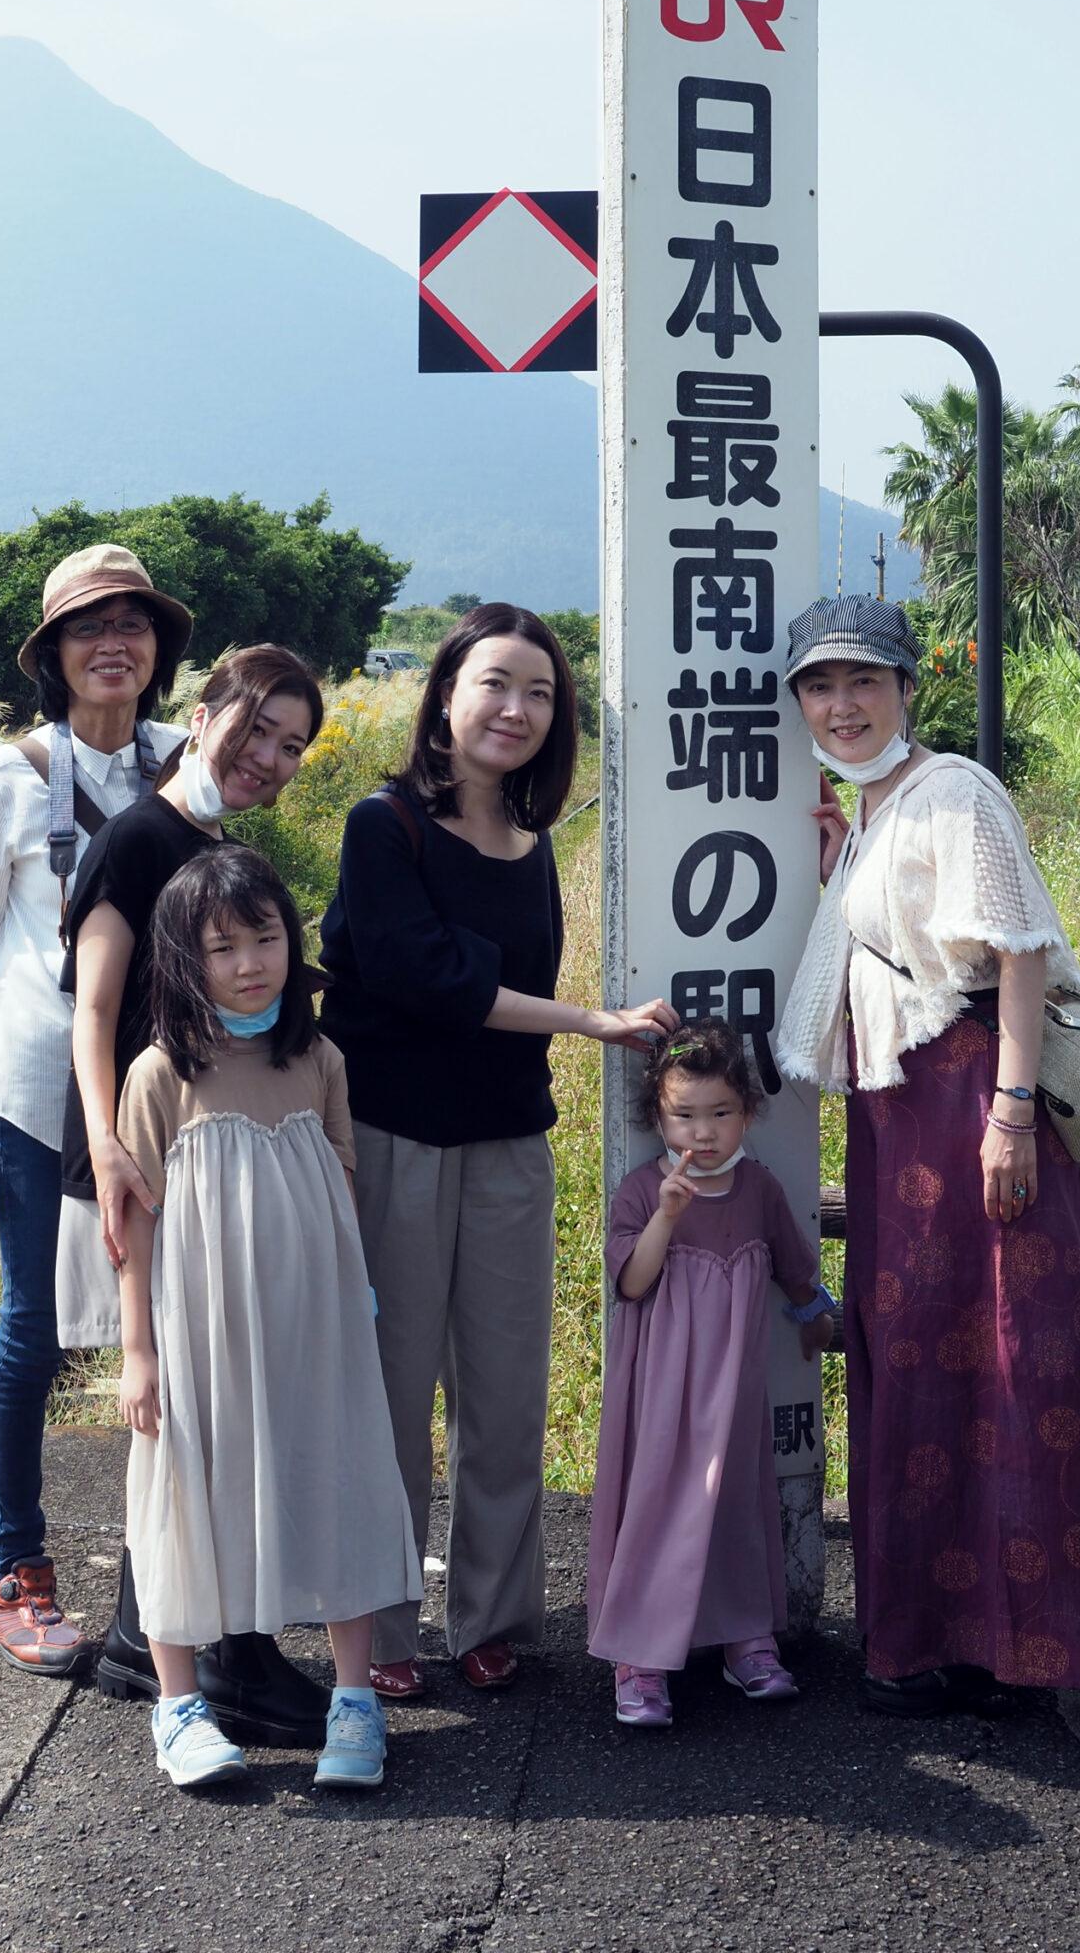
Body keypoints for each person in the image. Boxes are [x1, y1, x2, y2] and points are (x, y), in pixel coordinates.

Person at [319, 602, 678, 1699]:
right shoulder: (384, 825)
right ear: (444, 695)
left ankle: (491, 1613)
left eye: (539, 693)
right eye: (494, 683)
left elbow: (462, 982)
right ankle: (378, 1627)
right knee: (388, 1392)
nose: (515, 708)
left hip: (511, 1147)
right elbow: (424, 973)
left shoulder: (531, 848)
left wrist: (505, 1001)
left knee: (508, 1395)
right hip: (391, 1141)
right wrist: (588, 1021)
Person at [775, 595, 1080, 1715]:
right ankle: (920, 1640)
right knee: (915, 1360)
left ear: (909, 687)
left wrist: (1011, 1113)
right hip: (897, 1112)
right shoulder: (876, 807)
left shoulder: (954, 788)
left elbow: (1015, 954)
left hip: (970, 1106)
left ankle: (1018, 1656)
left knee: (1009, 1360)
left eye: (864, 680)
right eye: (821, 685)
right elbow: (906, 949)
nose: (843, 703)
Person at [0, 543, 191, 1676]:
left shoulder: (184, 764)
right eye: (90, 628)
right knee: (36, 1322)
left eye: (132, 624)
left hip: (163, 1088)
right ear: (54, 656)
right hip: (37, 1089)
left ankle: (176, 1569)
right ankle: (13, 1568)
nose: (114, 644)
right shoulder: (13, 775)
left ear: (158, 653)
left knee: (172, 1322)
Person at [67, 642, 334, 1748]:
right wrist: (108, 1145)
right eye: (256, 727)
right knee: (189, 1405)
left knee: (193, 1403)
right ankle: (228, 1655)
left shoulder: (208, 840)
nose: (268, 756)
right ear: (205, 705)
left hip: (205, 1153)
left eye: (292, 745)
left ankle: (151, 1634)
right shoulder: (138, 837)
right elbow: (92, 1005)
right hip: (152, 1152)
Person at [117, 845, 421, 1791]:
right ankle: (178, 1707)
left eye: (266, 937)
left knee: (334, 1477)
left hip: (315, 1327)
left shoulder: (318, 1058)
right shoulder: (159, 1074)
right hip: (202, 1330)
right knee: (185, 1488)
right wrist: (139, 1352)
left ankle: (355, 1701)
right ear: (182, 961)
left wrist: (354, 1299)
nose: (251, 962)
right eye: (222, 948)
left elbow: (340, 1185)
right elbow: (131, 1227)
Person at [586, 1023, 834, 1729]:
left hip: (732, 1392)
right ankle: (638, 1657)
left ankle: (742, 1636)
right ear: (657, 1118)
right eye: (683, 1115)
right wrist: (666, 1217)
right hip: (660, 1394)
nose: (702, 1132)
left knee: (733, 1504)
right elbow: (632, 1284)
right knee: (657, 1506)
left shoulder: (757, 1188)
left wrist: (815, 1318)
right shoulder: (641, 1191)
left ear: (747, 1114)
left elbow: (794, 1268)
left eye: (719, 1113)